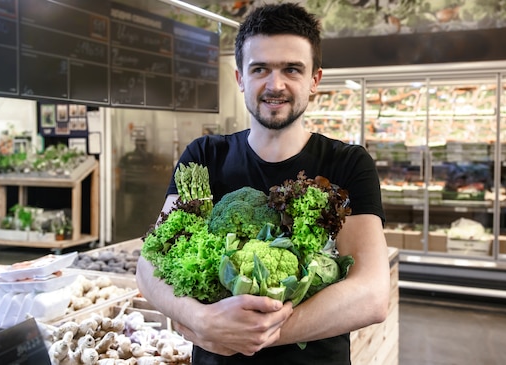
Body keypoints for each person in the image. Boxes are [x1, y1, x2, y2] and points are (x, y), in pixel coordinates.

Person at [136, 3, 391, 364]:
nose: (276, 84)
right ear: (240, 77)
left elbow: (372, 294)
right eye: (260, 69)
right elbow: (148, 266)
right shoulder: (204, 156)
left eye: (292, 69)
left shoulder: (348, 164)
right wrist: (202, 320)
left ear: (314, 80)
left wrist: (250, 335)